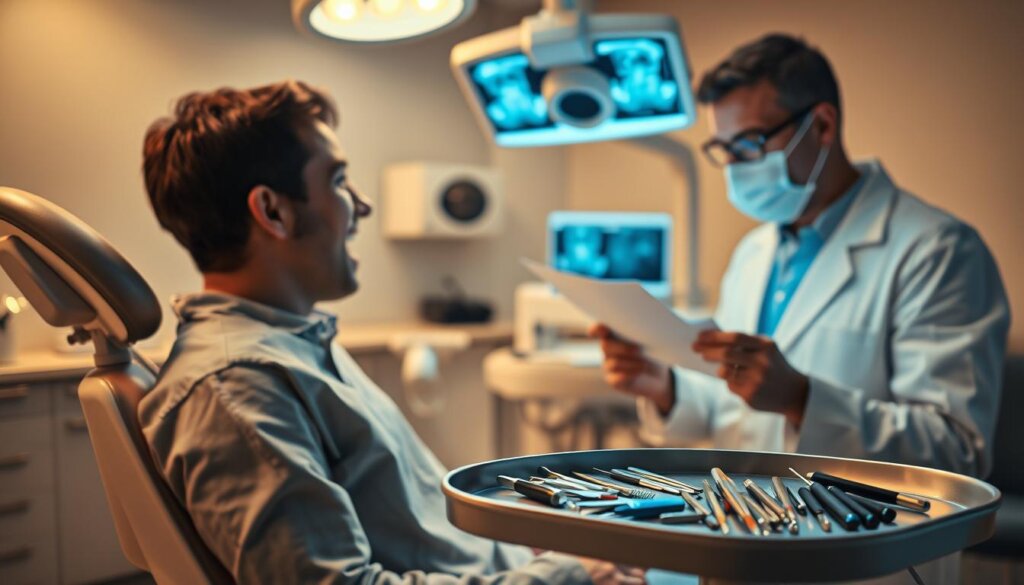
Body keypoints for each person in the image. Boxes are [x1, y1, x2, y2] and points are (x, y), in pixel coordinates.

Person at [139, 80, 644, 585]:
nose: (361, 206)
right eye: (338, 181)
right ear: (273, 211)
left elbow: (412, 522)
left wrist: (536, 546)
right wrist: (569, 576)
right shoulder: (237, 387)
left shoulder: (294, 344)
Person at [592, 34, 1010, 582]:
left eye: (749, 144)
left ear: (823, 126)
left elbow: (957, 455)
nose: (736, 168)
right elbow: (737, 411)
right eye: (724, 151)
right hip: (743, 543)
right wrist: (666, 389)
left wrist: (802, 400)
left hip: (863, 562)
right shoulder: (753, 253)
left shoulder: (938, 251)